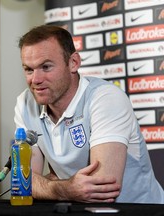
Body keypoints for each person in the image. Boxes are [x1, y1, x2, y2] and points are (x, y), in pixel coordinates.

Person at [14, 25, 164, 204]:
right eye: (29, 69)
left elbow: (102, 190)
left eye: (46, 67)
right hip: (80, 209)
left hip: (141, 211)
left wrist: (49, 185)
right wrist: (64, 188)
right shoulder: (25, 103)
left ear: (73, 63)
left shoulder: (105, 98)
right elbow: (22, 183)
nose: (35, 80)